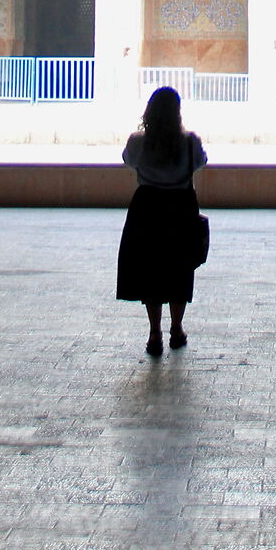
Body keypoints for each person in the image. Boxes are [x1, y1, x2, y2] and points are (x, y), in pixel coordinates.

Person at [117, 85, 207, 355]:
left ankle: (154, 332)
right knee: (179, 270)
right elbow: (200, 163)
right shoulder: (190, 142)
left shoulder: (137, 142)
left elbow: (128, 161)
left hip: (147, 209)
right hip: (180, 209)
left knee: (151, 271)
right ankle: (176, 328)